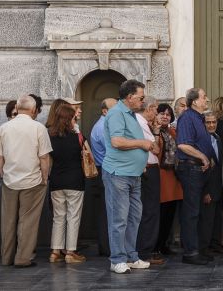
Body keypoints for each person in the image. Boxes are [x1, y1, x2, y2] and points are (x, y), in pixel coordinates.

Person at [103, 79, 154, 274]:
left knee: (134, 217)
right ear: (130, 97)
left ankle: (131, 256)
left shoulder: (131, 114)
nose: (143, 100)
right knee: (119, 219)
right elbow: (117, 141)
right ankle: (117, 259)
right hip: (118, 174)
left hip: (133, 174)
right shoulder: (117, 113)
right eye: (141, 97)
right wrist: (142, 144)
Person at [0, 94, 52, 268]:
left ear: (17, 108)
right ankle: (22, 258)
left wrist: (2, 174)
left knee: (8, 221)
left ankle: (6, 258)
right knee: (28, 221)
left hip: (10, 180)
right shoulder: (38, 128)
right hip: (33, 180)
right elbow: (44, 157)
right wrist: (44, 177)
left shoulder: (4, 128)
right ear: (34, 110)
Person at [174, 87, 215, 265]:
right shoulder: (187, 117)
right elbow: (183, 144)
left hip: (200, 171)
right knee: (191, 212)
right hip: (191, 169)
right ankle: (190, 252)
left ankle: (199, 249)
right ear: (195, 101)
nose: (207, 100)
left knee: (199, 212)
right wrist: (203, 156)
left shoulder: (199, 118)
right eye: (204, 97)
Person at [48, 102, 87, 264]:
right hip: (75, 180)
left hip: (56, 181)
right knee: (73, 216)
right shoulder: (78, 137)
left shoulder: (50, 137)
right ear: (70, 119)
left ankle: (55, 252)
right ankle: (70, 252)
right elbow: (88, 154)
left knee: (58, 217)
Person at [135, 101, 162, 265]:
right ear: (149, 108)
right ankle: (144, 251)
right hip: (147, 169)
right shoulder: (140, 123)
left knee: (148, 210)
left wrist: (156, 131)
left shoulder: (144, 124)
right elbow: (156, 149)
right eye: (155, 109)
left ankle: (144, 250)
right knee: (149, 211)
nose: (157, 113)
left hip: (149, 168)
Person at [89, 97, 117, 258]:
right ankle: (107, 247)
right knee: (106, 211)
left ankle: (108, 246)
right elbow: (113, 150)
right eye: (114, 109)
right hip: (105, 171)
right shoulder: (102, 127)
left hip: (107, 170)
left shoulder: (107, 125)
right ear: (105, 111)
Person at [155, 103, 182, 257]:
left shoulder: (172, 131)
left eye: (168, 114)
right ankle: (156, 246)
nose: (165, 116)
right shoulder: (154, 130)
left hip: (173, 176)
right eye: (162, 114)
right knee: (160, 213)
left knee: (170, 214)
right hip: (160, 176)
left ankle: (164, 244)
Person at [197, 110, 223, 256]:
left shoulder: (218, 138)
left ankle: (215, 243)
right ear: (203, 124)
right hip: (207, 186)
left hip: (218, 186)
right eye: (208, 122)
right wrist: (205, 191)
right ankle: (204, 247)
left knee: (217, 218)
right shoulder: (200, 141)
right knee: (206, 219)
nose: (211, 125)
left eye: (214, 122)